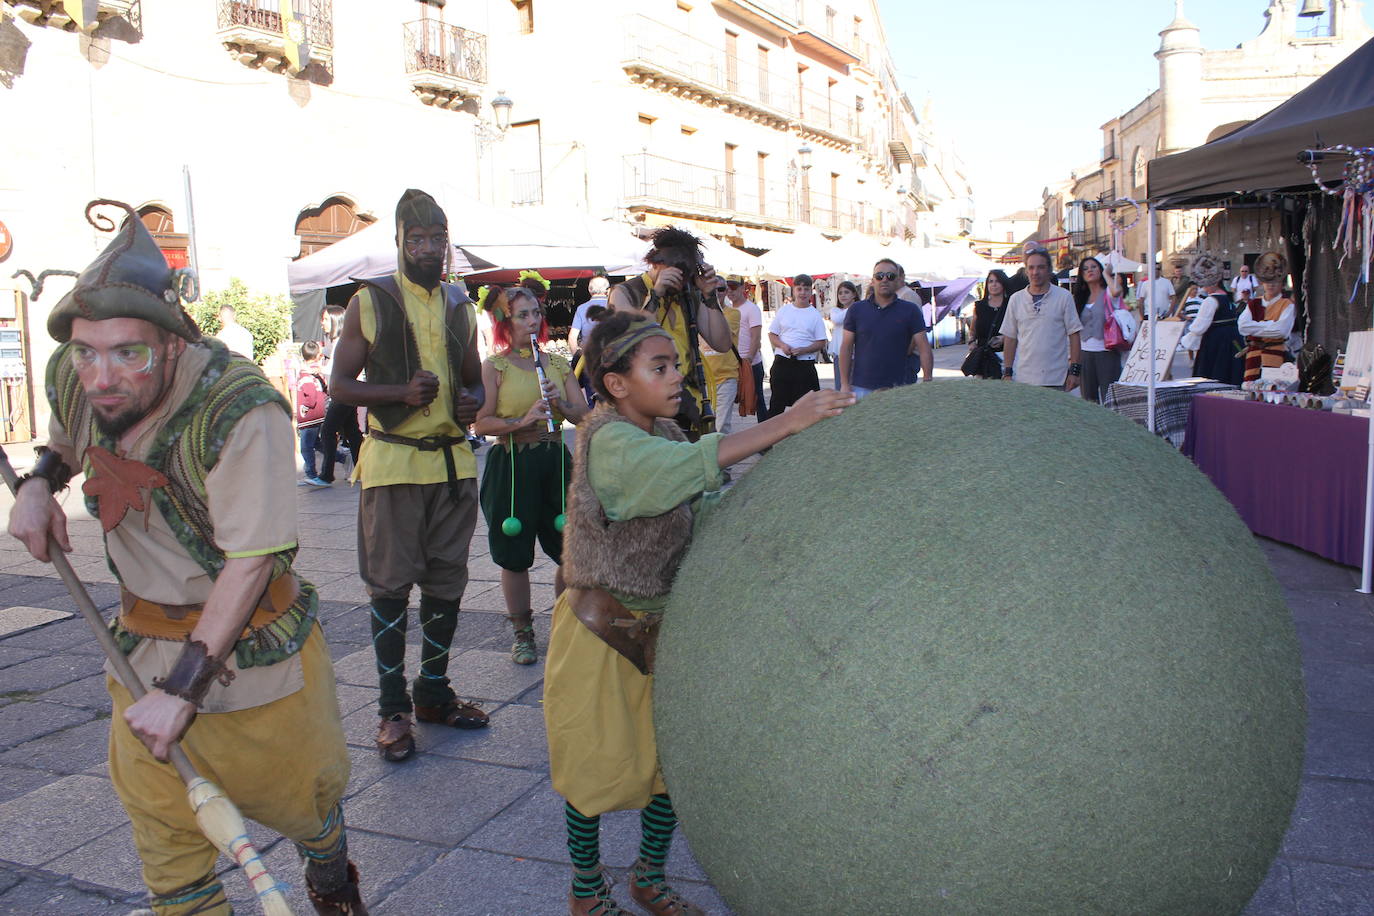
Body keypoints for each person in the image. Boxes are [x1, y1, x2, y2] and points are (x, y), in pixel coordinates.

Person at [7, 200, 366, 914]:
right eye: (86, 352)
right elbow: (70, 438)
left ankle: (332, 882)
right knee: (170, 861)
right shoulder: (82, 379)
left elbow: (252, 561)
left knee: (309, 811)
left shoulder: (241, 412)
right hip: (139, 659)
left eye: (127, 353)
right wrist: (41, 486)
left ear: (171, 343)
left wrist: (183, 692)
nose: (101, 375)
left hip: (255, 667)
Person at [544, 312, 854, 916]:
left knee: (670, 766)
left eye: (676, 366)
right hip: (601, 633)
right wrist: (784, 422)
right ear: (615, 384)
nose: (674, 378)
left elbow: (703, 502)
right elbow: (674, 477)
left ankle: (649, 878)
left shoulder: (669, 435)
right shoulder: (608, 440)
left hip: (668, 629)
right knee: (592, 765)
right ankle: (585, 890)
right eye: (658, 368)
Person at [329, 189, 489, 763]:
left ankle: (434, 693)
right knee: (392, 588)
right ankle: (393, 708)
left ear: (447, 242)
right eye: (415, 239)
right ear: (397, 242)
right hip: (394, 463)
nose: (426, 249)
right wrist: (397, 392)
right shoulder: (369, 302)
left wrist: (472, 400)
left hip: (452, 464)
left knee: (447, 585)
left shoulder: (459, 305)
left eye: (435, 239)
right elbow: (339, 387)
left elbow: (474, 379)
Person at [472, 286, 587, 666]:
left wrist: (560, 402)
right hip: (513, 465)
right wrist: (520, 422)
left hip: (554, 460)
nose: (533, 320)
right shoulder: (496, 366)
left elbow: (582, 415)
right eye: (523, 314)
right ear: (506, 321)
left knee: (570, 548)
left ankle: (562, 623)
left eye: (535, 312)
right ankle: (522, 634)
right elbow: (482, 422)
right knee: (514, 554)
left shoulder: (555, 363)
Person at [607, 227, 733, 439]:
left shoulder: (689, 293)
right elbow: (628, 340)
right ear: (656, 263)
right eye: (678, 272)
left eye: (688, 275)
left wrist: (709, 296)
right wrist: (655, 296)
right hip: (644, 407)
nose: (682, 281)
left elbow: (721, 343)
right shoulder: (625, 293)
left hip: (687, 405)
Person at [839, 258, 932, 398]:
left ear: (898, 280)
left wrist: (927, 381)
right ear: (873, 280)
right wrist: (845, 384)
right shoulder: (856, 310)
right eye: (879, 276)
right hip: (861, 388)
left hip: (899, 388)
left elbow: (924, 347)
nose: (884, 280)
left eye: (890, 276)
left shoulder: (910, 310)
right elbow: (846, 347)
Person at [1001, 248, 1083, 391]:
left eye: (1041, 267)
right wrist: (1007, 372)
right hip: (1024, 379)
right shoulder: (1016, 299)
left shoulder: (1064, 297)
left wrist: (1074, 371)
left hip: (1057, 378)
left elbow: (1074, 334)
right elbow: (1010, 338)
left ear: (1049, 270)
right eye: (1031, 267)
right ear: (1026, 270)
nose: (1035, 272)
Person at [1179, 251, 1244, 385]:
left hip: (1217, 341)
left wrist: (1184, 339)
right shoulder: (1229, 297)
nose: (1204, 287)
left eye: (1205, 284)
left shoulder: (1211, 300)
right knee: (1231, 371)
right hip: (1234, 338)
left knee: (1215, 374)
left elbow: (1199, 327)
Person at [767, 274, 829, 412]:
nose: (802, 293)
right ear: (793, 290)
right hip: (782, 361)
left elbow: (821, 342)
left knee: (807, 407)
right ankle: (774, 433)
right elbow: (772, 334)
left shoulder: (814, 315)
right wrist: (782, 345)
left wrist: (804, 349)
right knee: (777, 404)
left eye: (806, 289)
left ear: (811, 291)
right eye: (799, 289)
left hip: (804, 364)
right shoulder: (784, 310)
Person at [317, 305, 361, 484]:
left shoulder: (342, 342)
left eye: (326, 319)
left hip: (343, 393)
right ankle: (361, 469)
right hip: (346, 392)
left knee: (327, 430)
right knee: (352, 432)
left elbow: (339, 370)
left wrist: (319, 369)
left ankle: (327, 475)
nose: (323, 324)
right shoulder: (338, 342)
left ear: (336, 320)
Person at [1238, 251, 1297, 383]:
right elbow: (1242, 327)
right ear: (1262, 283)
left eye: (1275, 281)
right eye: (1267, 281)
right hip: (1253, 355)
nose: (1270, 285)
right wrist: (1270, 324)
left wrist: (1255, 327)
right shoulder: (1254, 303)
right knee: (1250, 388)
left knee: (1273, 388)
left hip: (1276, 354)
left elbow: (1281, 331)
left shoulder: (1287, 305)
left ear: (1281, 283)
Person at [1071, 257, 1121, 403]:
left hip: (1107, 352)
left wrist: (1107, 274)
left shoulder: (1108, 294)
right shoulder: (1080, 298)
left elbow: (1117, 291)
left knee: (1110, 398)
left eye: (1093, 267)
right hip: (1085, 352)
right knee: (1088, 400)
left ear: (1100, 269)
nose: (1090, 270)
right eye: (1085, 269)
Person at [700, 277, 743, 433]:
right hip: (703, 378)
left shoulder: (733, 314)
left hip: (726, 376)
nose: (717, 293)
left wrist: (711, 304)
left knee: (721, 425)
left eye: (721, 289)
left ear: (726, 292)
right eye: (713, 289)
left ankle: (722, 456)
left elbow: (723, 335)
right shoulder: (699, 313)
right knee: (705, 425)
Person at [727, 277, 768, 419]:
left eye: (733, 287)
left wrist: (748, 359)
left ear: (742, 288)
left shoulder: (751, 309)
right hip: (733, 363)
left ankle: (765, 436)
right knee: (731, 399)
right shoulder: (728, 309)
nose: (729, 291)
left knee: (757, 399)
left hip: (750, 363)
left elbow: (756, 337)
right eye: (727, 288)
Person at [296, 339, 330, 486]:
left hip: (309, 417)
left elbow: (311, 397)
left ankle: (311, 474)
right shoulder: (318, 372)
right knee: (318, 444)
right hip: (318, 415)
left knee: (306, 447)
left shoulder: (305, 376)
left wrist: (305, 407)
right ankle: (342, 458)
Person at [828, 281, 857, 389]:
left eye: (846, 292)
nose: (843, 295)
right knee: (841, 385)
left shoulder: (859, 310)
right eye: (840, 293)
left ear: (854, 294)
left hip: (856, 352)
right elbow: (837, 320)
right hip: (840, 353)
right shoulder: (835, 310)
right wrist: (854, 307)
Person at [568, 276, 610, 352]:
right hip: (612, 356)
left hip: (589, 357)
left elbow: (572, 337)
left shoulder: (581, 308)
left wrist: (576, 358)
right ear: (607, 290)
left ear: (589, 290)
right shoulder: (615, 306)